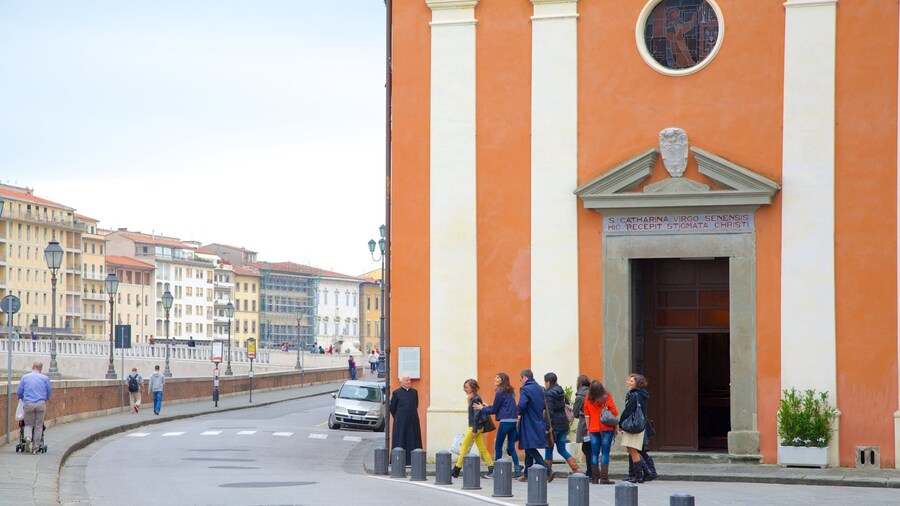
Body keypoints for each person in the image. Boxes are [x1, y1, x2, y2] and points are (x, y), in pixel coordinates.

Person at [472, 372, 521, 478]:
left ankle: (497, 471)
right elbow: (501, 407)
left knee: (498, 445)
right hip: (513, 421)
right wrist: (486, 407)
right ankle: (517, 470)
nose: (495, 379)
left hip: (505, 422)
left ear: (502, 380)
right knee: (511, 447)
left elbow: (494, 410)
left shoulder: (499, 392)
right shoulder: (510, 392)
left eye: (498, 378)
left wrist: (482, 408)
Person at [450, 379, 494, 479]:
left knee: (464, 447)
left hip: (474, 427)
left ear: (472, 388)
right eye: (464, 387)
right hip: (478, 427)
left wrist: (474, 430)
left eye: (466, 387)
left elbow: (477, 415)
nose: (464, 389)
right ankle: (491, 467)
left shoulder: (475, 399)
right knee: (482, 449)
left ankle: (456, 470)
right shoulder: (473, 398)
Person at [543, 372, 582, 477]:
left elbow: (549, 412)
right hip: (563, 424)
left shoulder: (549, 393)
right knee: (561, 449)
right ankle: (576, 468)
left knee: (548, 448)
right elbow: (566, 405)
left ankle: (548, 473)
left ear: (548, 382)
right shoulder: (561, 391)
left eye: (545, 382)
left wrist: (546, 427)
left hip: (554, 425)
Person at [516, 369, 552, 482]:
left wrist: (516, 412)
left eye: (521, 379)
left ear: (525, 377)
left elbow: (522, 404)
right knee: (529, 447)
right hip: (538, 420)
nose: (521, 381)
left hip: (528, 421)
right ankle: (526, 474)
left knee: (529, 447)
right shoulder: (541, 388)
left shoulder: (525, 389)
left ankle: (548, 470)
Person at [583, 380, 618, 484]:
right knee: (605, 453)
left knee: (594, 453)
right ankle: (604, 478)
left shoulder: (588, 398)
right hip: (606, 427)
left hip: (593, 428)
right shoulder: (607, 396)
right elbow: (614, 412)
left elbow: (586, 415)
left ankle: (594, 478)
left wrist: (588, 429)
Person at [618, 373, 650, 483]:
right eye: (628, 380)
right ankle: (644, 472)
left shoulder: (634, 395)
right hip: (639, 424)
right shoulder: (642, 394)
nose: (628, 382)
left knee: (632, 449)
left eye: (631, 381)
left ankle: (639, 476)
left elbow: (628, 410)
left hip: (633, 425)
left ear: (637, 383)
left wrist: (621, 423)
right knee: (631, 449)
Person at [16, 361, 52, 454]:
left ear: (33, 367)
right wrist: (46, 399)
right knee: (38, 426)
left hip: (28, 403)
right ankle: (35, 448)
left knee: (28, 424)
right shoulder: (45, 378)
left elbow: (19, 391)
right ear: (41, 368)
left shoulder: (25, 377)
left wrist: (22, 398)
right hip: (40, 403)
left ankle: (28, 438)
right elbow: (49, 391)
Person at [390, 374, 423, 465]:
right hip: (401, 422)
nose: (409, 382)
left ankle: (413, 461)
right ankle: (399, 460)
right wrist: (399, 417)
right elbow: (392, 408)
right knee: (400, 440)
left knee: (413, 439)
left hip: (413, 420)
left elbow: (416, 405)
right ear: (401, 382)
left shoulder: (414, 392)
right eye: (406, 380)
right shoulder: (396, 393)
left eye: (409, 380)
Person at [572, 375, 591, 474]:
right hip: (594, 423)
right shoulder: (593, 393)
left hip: (584, 424)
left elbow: (575, 413)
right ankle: (592, 470)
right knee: (590, 448)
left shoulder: (580, 396)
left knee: (586, 448)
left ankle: (591, 471)